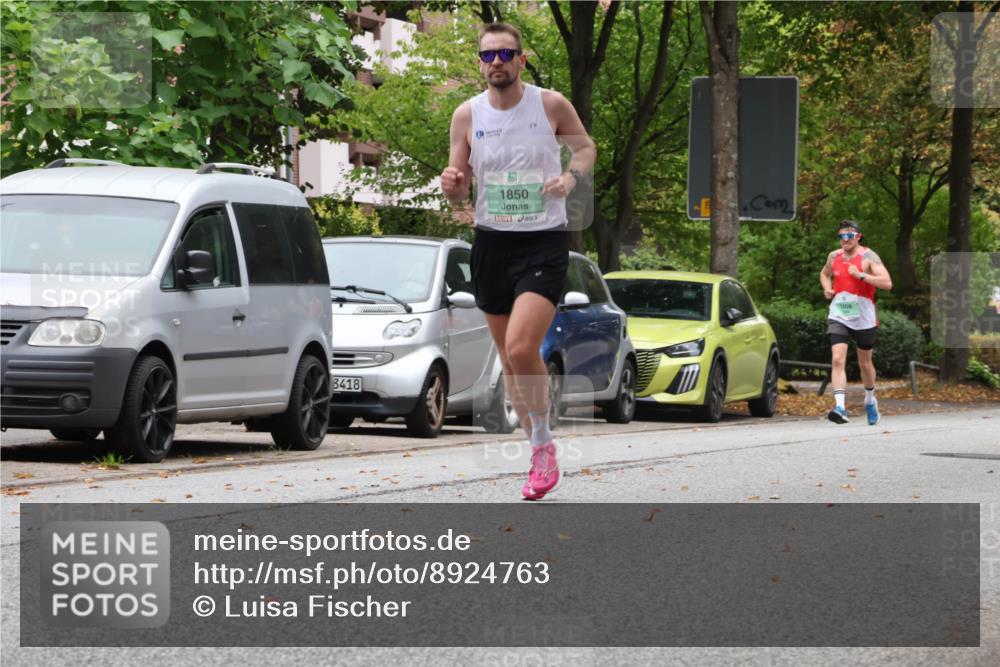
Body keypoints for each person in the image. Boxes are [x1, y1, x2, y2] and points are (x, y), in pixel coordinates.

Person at [440, 22, 596, 500]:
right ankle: (535, 448)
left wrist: (569, 179)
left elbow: (585, 147)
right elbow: (458, 186)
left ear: (521, 60)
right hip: (491, 244)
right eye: (488, 55)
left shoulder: (549, 105)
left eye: (506, 54)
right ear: (479, 63)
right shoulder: (466, 115)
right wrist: (452, 185)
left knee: (522, 346)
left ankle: (544, 444)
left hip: (542, 242)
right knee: (509, 357)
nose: (497, 62)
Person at [819, 220, 893, 425]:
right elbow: (824, 274)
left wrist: (861, 275)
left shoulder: (869, 257)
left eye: (849, 236)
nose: (845, 240)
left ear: (858, 237)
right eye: (841, 236)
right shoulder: (834, 256)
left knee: (865, 364)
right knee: (837, 359)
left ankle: (870, 399)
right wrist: (827, 288)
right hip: (839, 314)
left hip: (864, 317)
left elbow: (887, 283)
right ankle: (840, 408)